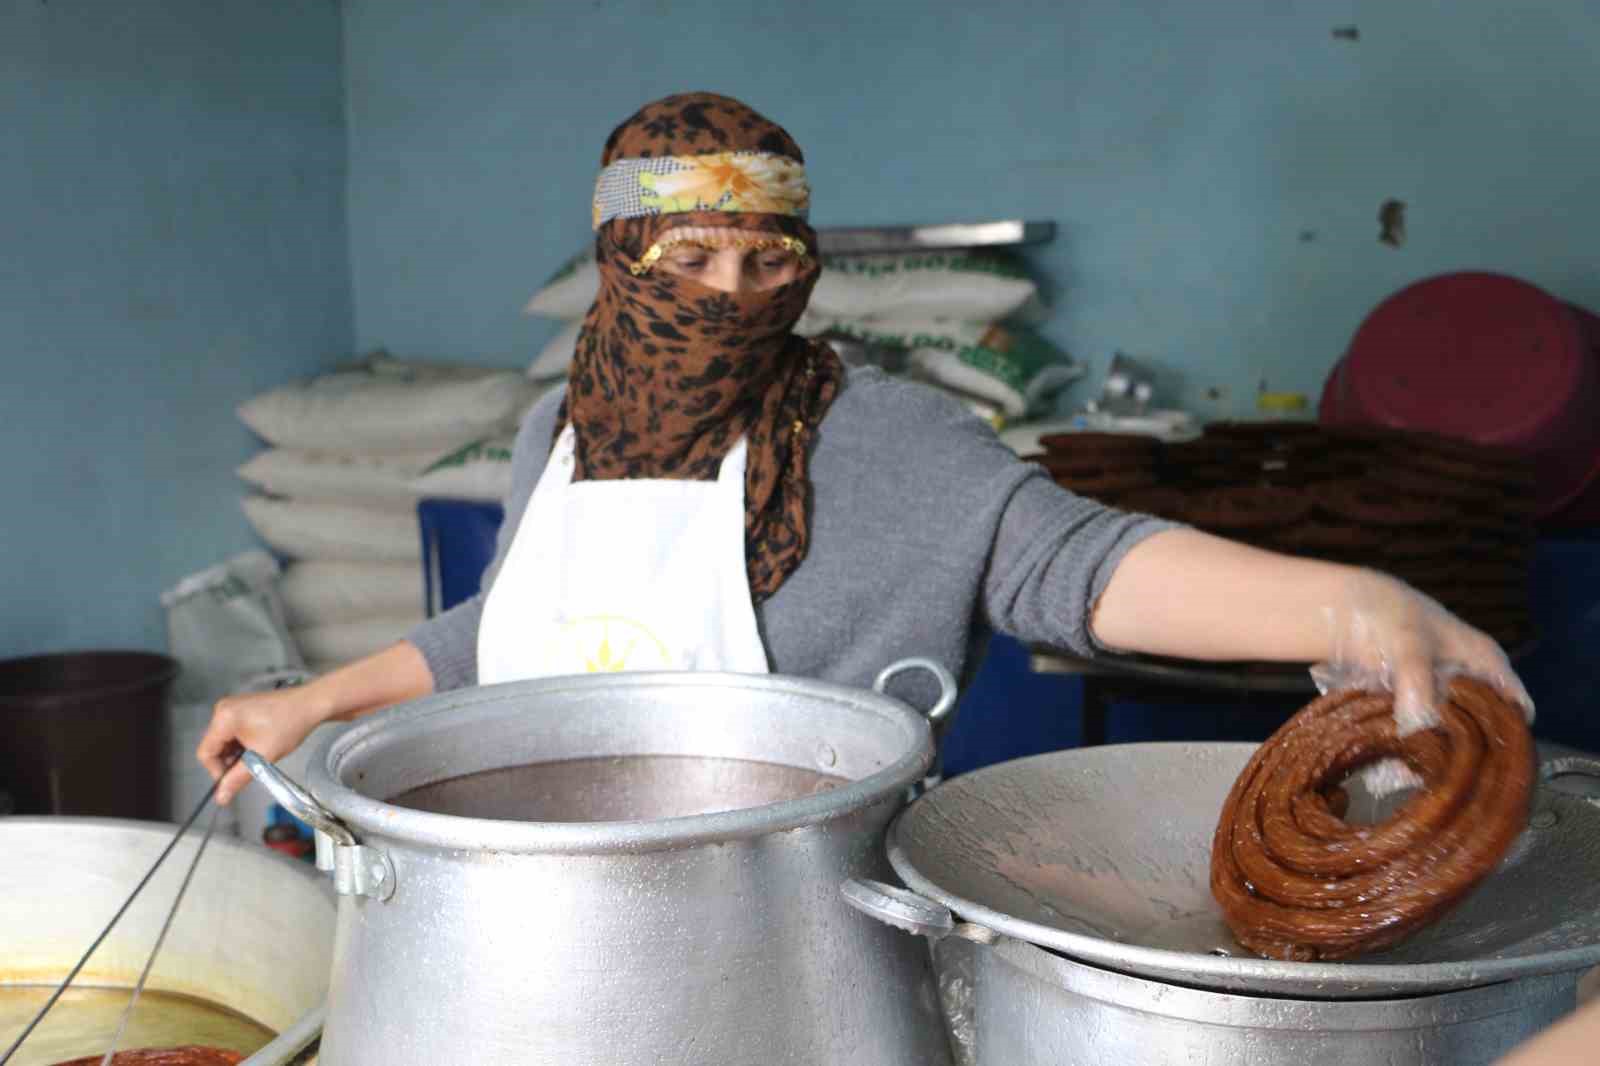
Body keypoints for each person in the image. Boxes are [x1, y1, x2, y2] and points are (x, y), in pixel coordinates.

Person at [198, 91, 1530, 804]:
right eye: (691, 258)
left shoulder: (878, 436)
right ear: (620, 263)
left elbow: (1076, 563)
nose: (730, 295)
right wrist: (313, 699)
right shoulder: (561, 429)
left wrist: (1347, 597)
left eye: (765, 259)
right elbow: (499, 636)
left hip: (789, 953)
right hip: (549, 947)